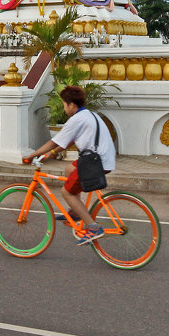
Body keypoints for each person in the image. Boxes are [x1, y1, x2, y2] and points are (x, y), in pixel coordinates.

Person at [21, 85, 116, 245]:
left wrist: (32, 155)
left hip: (94, 162)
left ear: (72, 105)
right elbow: (66, 141)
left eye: (65, 104)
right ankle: (75, 212)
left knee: (67, 192)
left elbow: (52, 142)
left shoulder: (76, 119)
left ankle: (93, 227)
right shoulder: (89, 115)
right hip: (99, 158)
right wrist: (51, 154)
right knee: (69, 169)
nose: (64, 108)